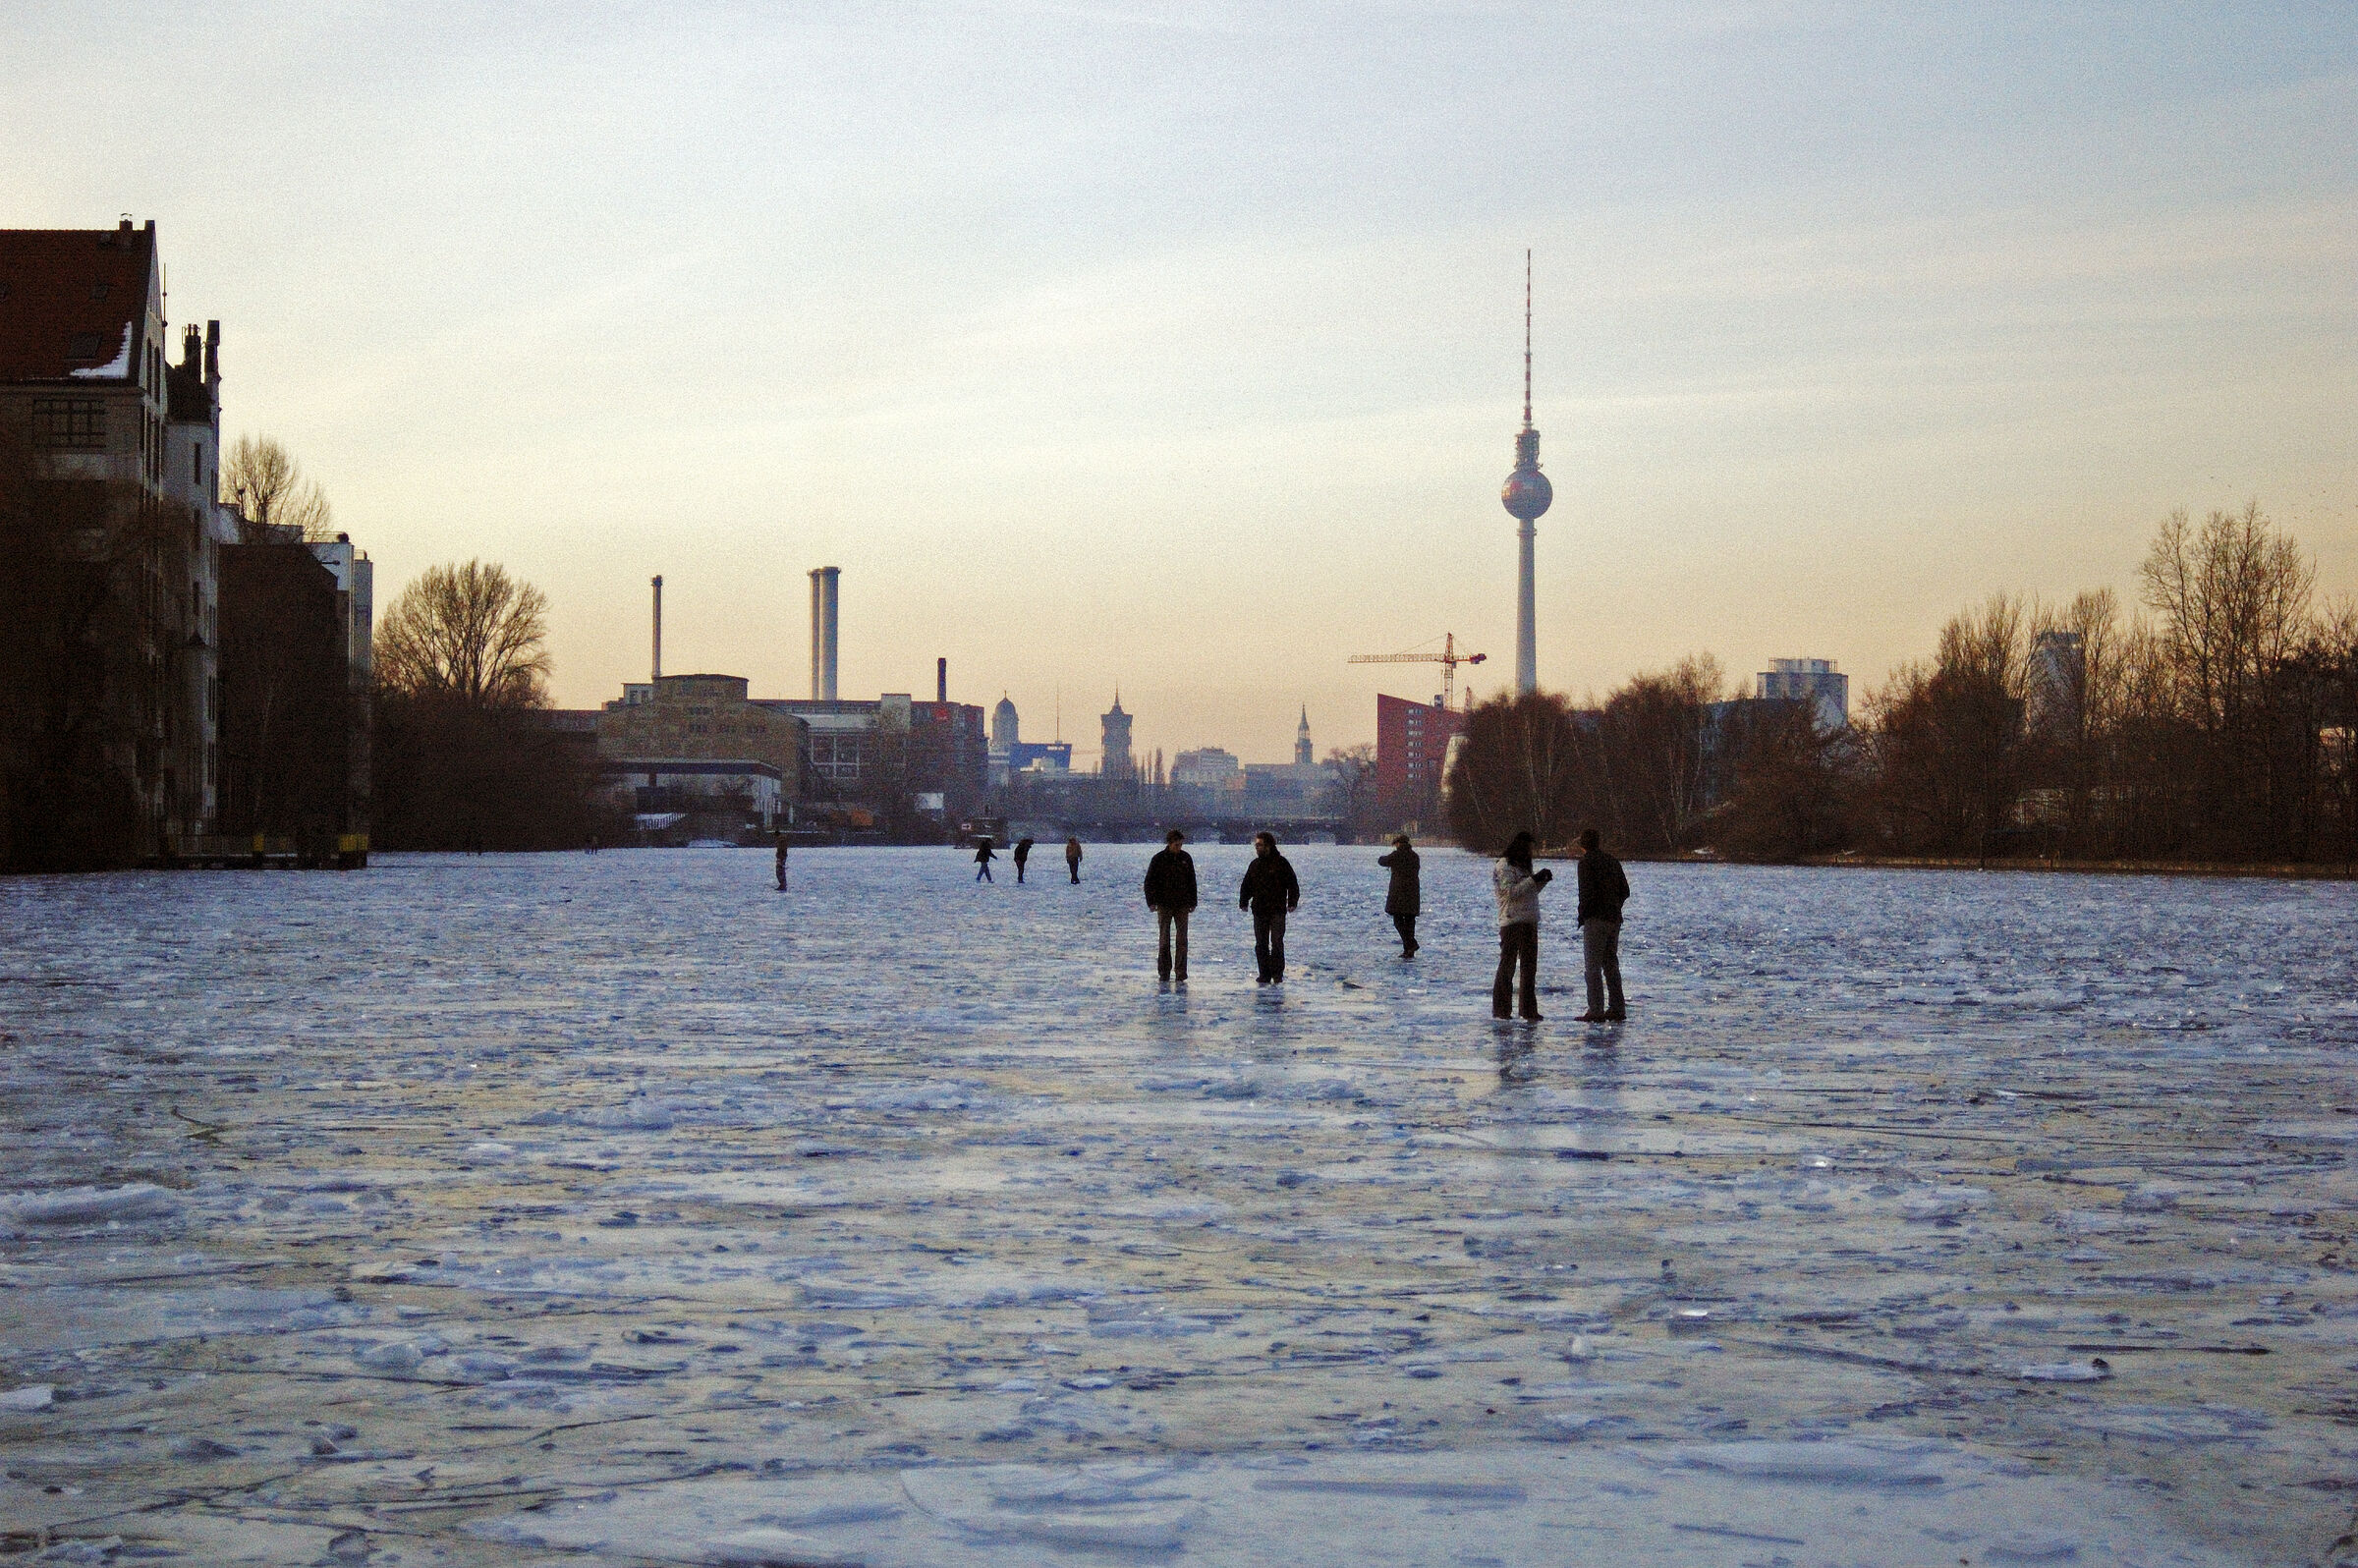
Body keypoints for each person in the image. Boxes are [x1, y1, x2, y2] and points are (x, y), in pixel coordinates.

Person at [1491, 830, 1553, 1021]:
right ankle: (1502, 1010)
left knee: (1529, 968)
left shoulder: (1523, 867)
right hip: (1511, 921)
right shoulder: (1504, 866)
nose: (1530, 853)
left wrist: (1541, 881)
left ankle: (1528, 1009)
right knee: (1507, 966)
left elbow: (1528, 892)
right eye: (1528, 848)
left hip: (1529, 920)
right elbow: (1510, 893)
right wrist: (1533, 880)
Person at [1574, 826, 1630, 1022]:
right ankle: (1617, 1008)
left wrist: (1583, 915)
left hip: (1595, 920)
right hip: (1614, 919)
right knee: (1611, 965)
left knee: (1593, 967)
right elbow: (1625, 891)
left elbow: (1586, 893)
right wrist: (1615, 906)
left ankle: (1596, 1010)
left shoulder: (1585, 863)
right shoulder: (1612, 861)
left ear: (1582, 845)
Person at [1238, 832, 1301, 983]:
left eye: (1259, 845)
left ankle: (1277, 974)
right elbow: (1247, 884)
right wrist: (1243, 901)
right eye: (1256, 845)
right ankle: (1264, 974)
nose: (1257, 848)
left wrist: (1292, 902)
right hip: (1259, 910)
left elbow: (1292, 884)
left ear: (1268, 846)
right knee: (1261, 944)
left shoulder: (1281, 863)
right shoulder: (1255, 865)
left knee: (1277, 942)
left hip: (1277, 910)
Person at [1143, 829, 1199, 980]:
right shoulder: (1158, 859)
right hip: (1164, 904)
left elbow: (1192, 881)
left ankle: (1181, 972)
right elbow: (1149, 882)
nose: (1179, 848)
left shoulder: (1186, 858)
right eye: (1176, 845)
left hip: (1182, 905)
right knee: (1164, 940)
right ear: (1169, 843)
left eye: (1181, 845)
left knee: (1182, 940)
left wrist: (1193, 901)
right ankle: (1164, 971)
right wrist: (1151, 902)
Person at [1378, 835, 1421, 958]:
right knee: (1410, 922)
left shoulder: (1396, 855)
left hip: (1399, 892)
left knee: (1398, 920)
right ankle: (1408, 951)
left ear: (1398, 844)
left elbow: (1382, 861)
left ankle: (1411, 944)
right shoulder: (1414, 856)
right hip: (1412, 892)